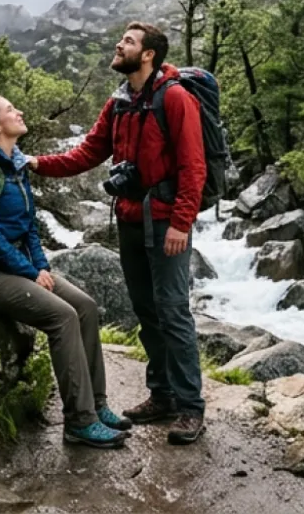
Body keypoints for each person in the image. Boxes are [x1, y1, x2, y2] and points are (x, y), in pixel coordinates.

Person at [31, 22, 208, 444]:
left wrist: (181, 222)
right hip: (130, 219)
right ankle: (162, 395)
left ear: (148, 55)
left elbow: (193, 166)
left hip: (165, 222)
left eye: (128, 41)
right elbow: (87, 153)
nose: (119, 44)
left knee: (173, 311)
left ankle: (190, 408)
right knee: (147, 311)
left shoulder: (175, 98)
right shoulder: (119, 102)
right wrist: (35, 163)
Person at [0, 94, 130, 449]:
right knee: (63, 317)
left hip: (14, 267)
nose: (19, 111)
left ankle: (96, 404)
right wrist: (30, 273)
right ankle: (79, 422)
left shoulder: (15, 165)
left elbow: (29, 226)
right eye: (11, 110)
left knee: (85, 307)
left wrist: (41, 267)